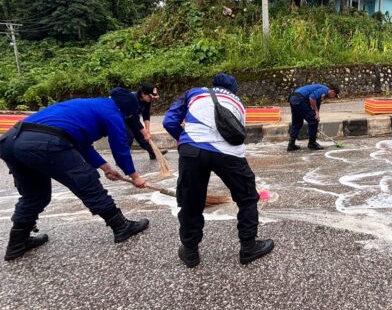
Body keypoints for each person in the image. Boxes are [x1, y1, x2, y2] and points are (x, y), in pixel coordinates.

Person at [0, 88, 150, 261]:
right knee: (86, 181)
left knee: (34, 195)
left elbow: (82, 144)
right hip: (45, 142)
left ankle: (17, 242)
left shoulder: (89, 105)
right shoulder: (113, 112)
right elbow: (120, 146)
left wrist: (106, 168)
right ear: (126, 112)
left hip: (9, 142)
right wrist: (135, 177)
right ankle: (121, 226)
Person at [163, 73, 274, 267]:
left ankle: (190, 252)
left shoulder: (194, 93)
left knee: (191, 201)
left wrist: (185, 140)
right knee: (247, 198)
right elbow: (237, 134)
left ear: (212, 85)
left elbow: (169, 122)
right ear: (234, 89)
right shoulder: (237, 102)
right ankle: (248, 247)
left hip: (192, 149)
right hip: (228, 154)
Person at [287, 83, 340, 152]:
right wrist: (315, 118)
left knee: (297, 122)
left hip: (293, 99)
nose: (333, 97)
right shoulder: (324, 90)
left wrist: (315, 126)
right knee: (313, 120)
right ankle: (312, 143)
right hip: (300, 99)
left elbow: (316, 108)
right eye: (334, 95)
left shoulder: (322, 94)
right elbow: (312, 98)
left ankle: (291, 144)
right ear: (332, 91)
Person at [125, 83, 167, 160]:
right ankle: (123, 158)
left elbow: (146, 115)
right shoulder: (132, 99)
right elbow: (135, 120)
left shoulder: (147, 100)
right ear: (142, 94)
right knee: (129, 136)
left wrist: (147, 130)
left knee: (141, 136)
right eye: (150, 96)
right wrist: (145, 133)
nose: (152, 98)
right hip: (121, 118)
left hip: (132, 118)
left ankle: (153, 153)